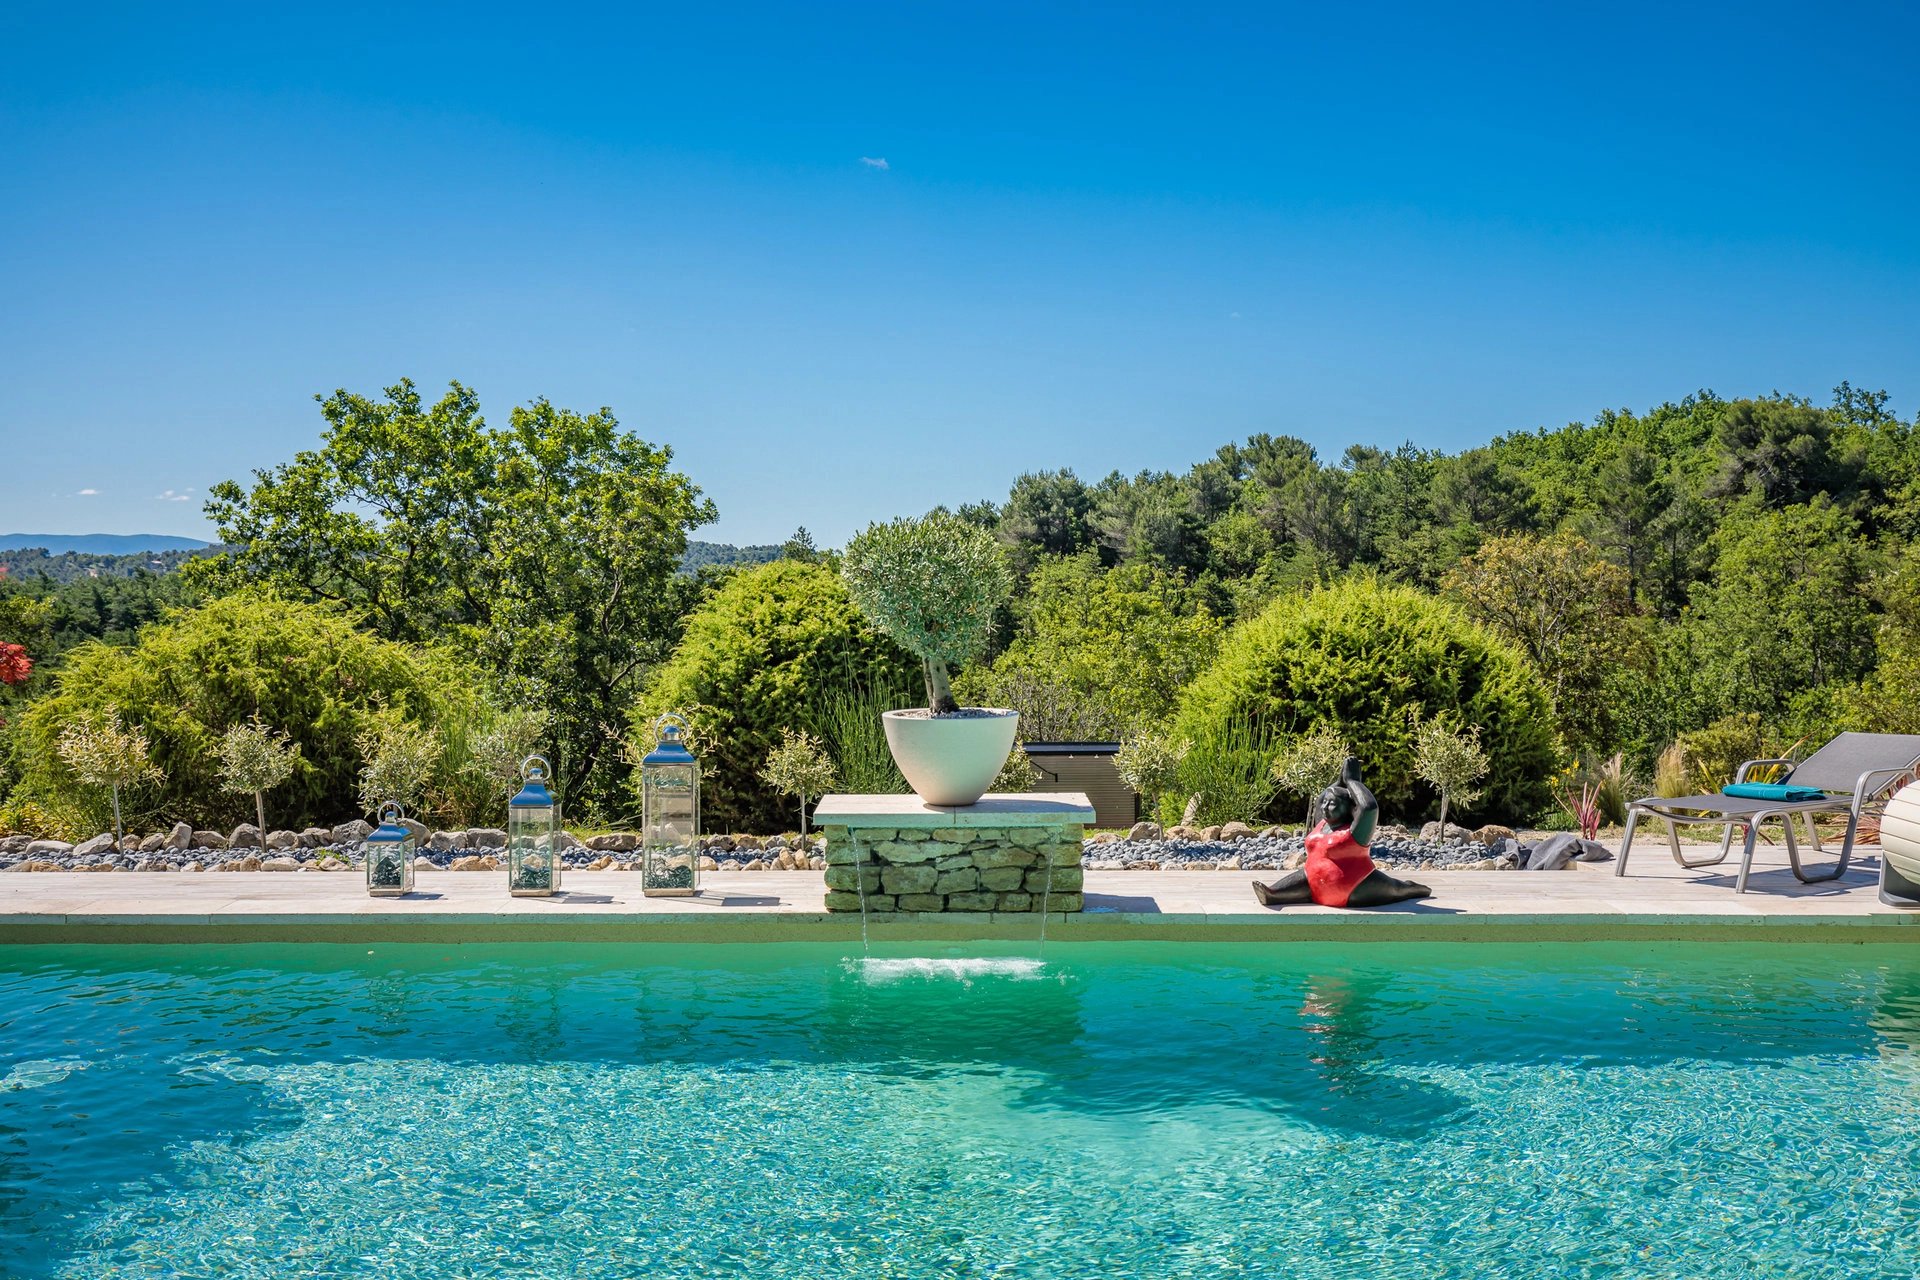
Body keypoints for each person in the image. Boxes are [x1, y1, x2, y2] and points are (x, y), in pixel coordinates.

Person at [1253, 756, 1430, 908]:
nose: (1325, 807)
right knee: (1290, 884)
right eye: (1325, 803)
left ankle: (1414, 888)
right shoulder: (1321, 824)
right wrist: (1340, 780)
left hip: (1356, 887)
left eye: (1332, 804)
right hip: (1314, 883)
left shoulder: (1355, 832)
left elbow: (1369, 808)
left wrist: (1353, 781)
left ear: (1349, 808)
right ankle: (1273, 894)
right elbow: (1320, 800)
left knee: (1398, 889)